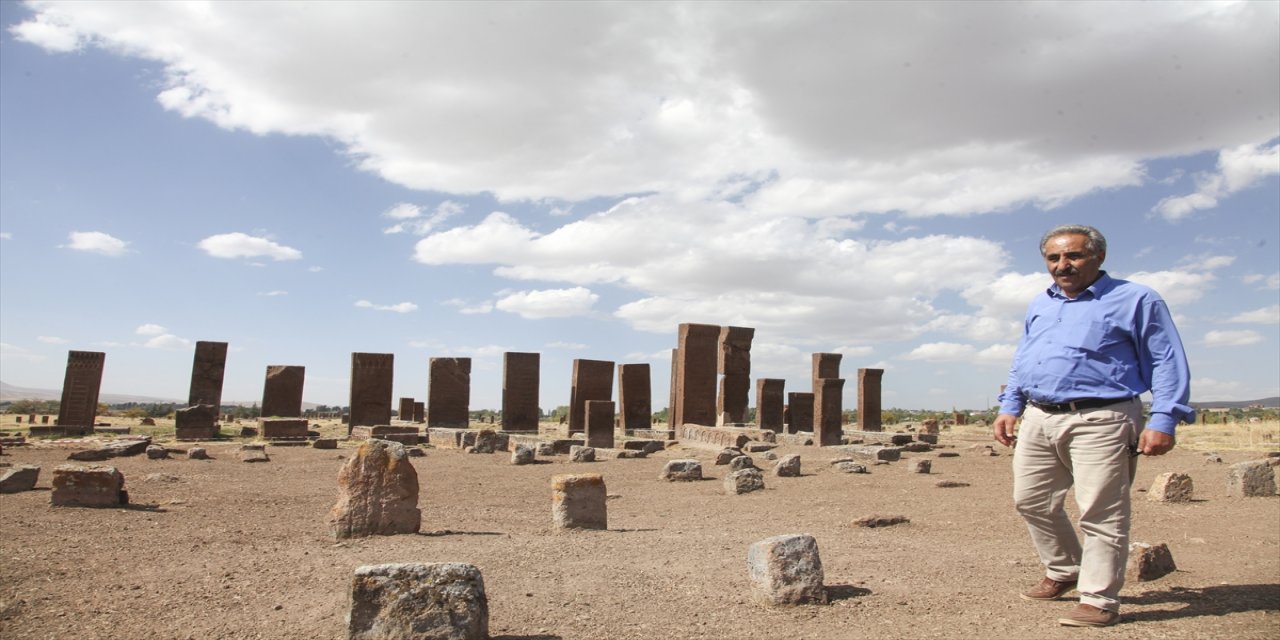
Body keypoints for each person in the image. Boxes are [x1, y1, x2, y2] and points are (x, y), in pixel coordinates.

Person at [993, 224, 1193, 628]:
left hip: (1103, 416)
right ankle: (1065, 569)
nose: (1062, 266)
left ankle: (1099, 597)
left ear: (1099, 257)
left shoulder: (1136, 299)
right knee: (1030, 500)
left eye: (1074, 256)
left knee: (1100, 510)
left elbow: (1167, 359)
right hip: (1039, 415)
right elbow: (1024, 358)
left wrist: (1164, 417)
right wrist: (1010, 405)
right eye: (1053, 258)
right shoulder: (1041, 303)